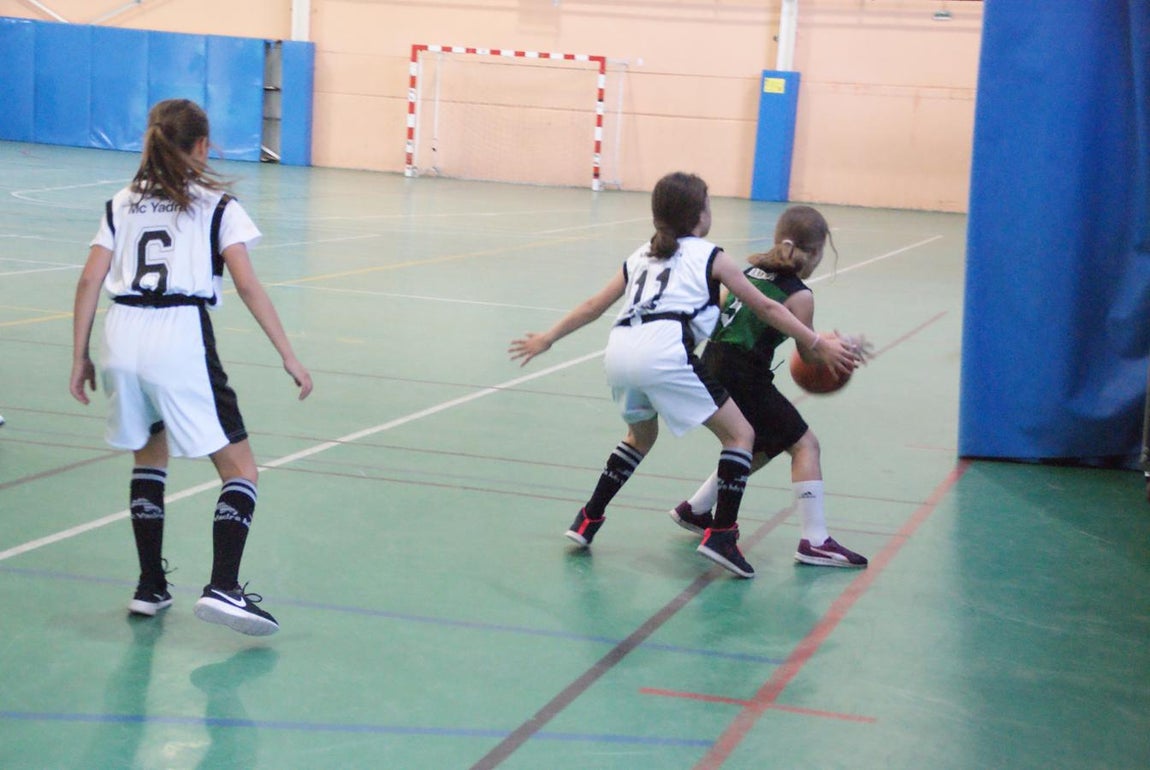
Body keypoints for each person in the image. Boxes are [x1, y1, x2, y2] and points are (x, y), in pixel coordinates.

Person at [508, 172, 858, 578]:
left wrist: (548, 338)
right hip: (665, 351)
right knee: (741, 435)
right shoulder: (712, 256)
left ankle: (588, 518)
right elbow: (768, 309)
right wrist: (816, 343)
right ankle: (722, 535)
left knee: (640, 437)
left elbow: (592, 305)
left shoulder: (641, 254)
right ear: (700, 216)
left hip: (619, 352)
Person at [69, 99, 312, 636]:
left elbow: (89, 281)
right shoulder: (215, 205)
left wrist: (79, 355)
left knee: (149, 457)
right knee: (241, 468)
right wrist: (288, 354)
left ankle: (150, 586)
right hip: (177, 333)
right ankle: (224, 585)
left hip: (121, 332)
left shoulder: (121, 203)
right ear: (202, 146)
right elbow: (247, 285)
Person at [668, 205, 870, 568]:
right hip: (744, 373)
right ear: (814, 253)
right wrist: (838, 351)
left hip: (712, 363)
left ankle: (696, 508)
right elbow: (808, 361)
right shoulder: (800, 295)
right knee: (806, 444)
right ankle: (815, 540)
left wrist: (828, 344)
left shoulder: (749, 271)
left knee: (767, 442)